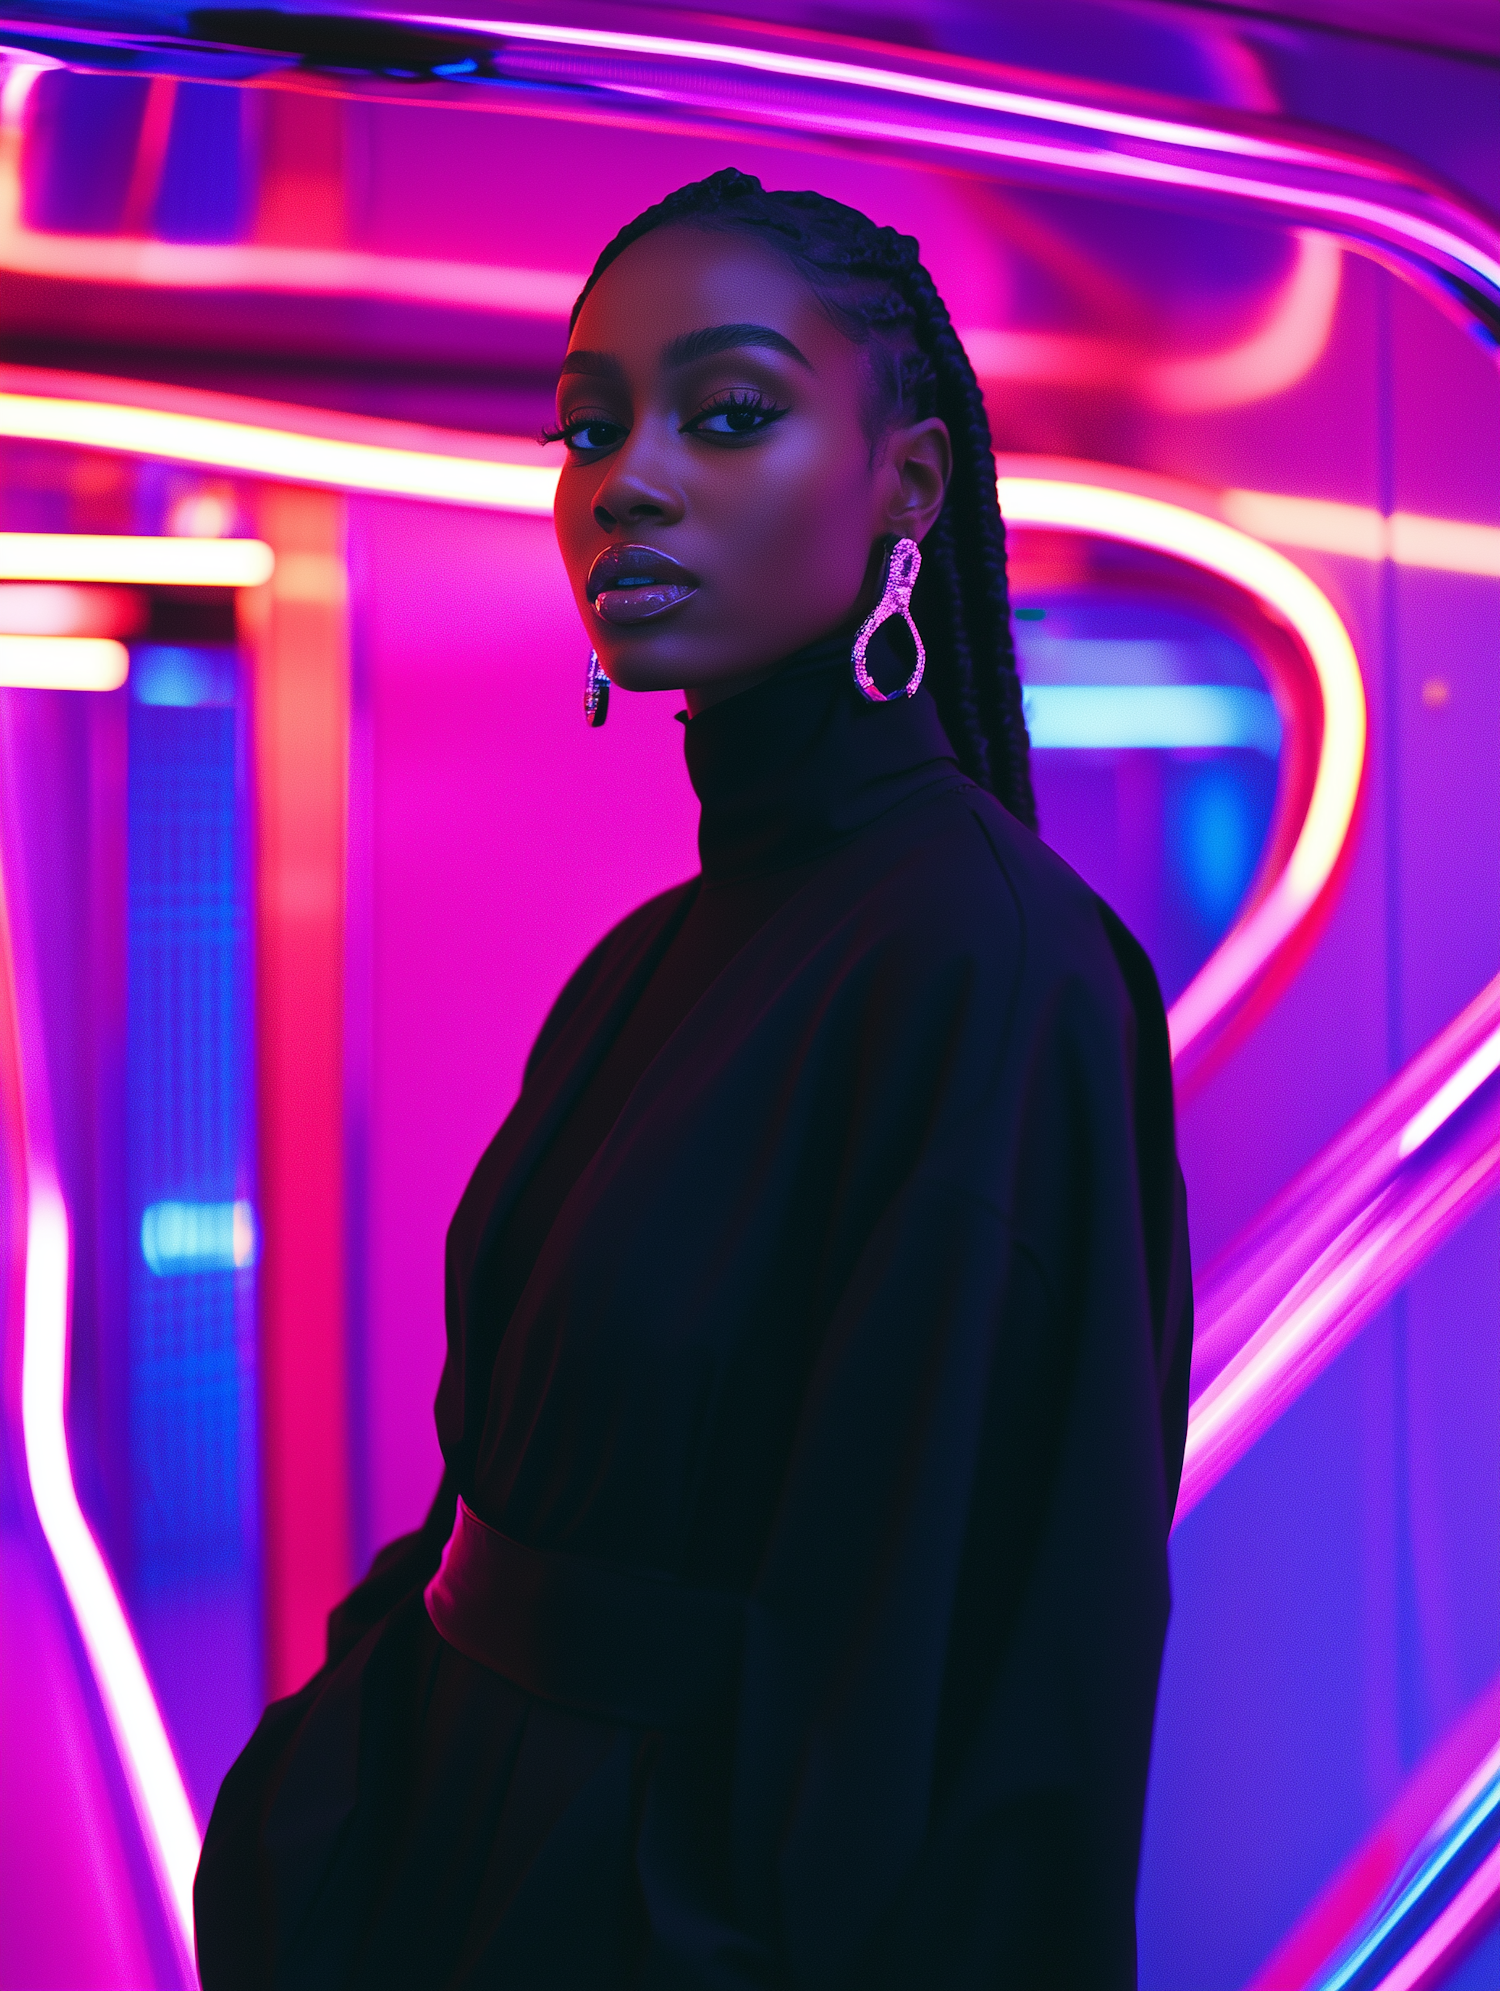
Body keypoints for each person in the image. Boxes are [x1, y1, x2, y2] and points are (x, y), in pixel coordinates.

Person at [195, 167, 1192, 1990]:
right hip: (445, 1871)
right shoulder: (649, 957)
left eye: (727, 415)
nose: (626, 481)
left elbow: (989, 1681)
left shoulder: (992, 964)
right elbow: (489, 1503)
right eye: (587, 427)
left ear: (908, 483)